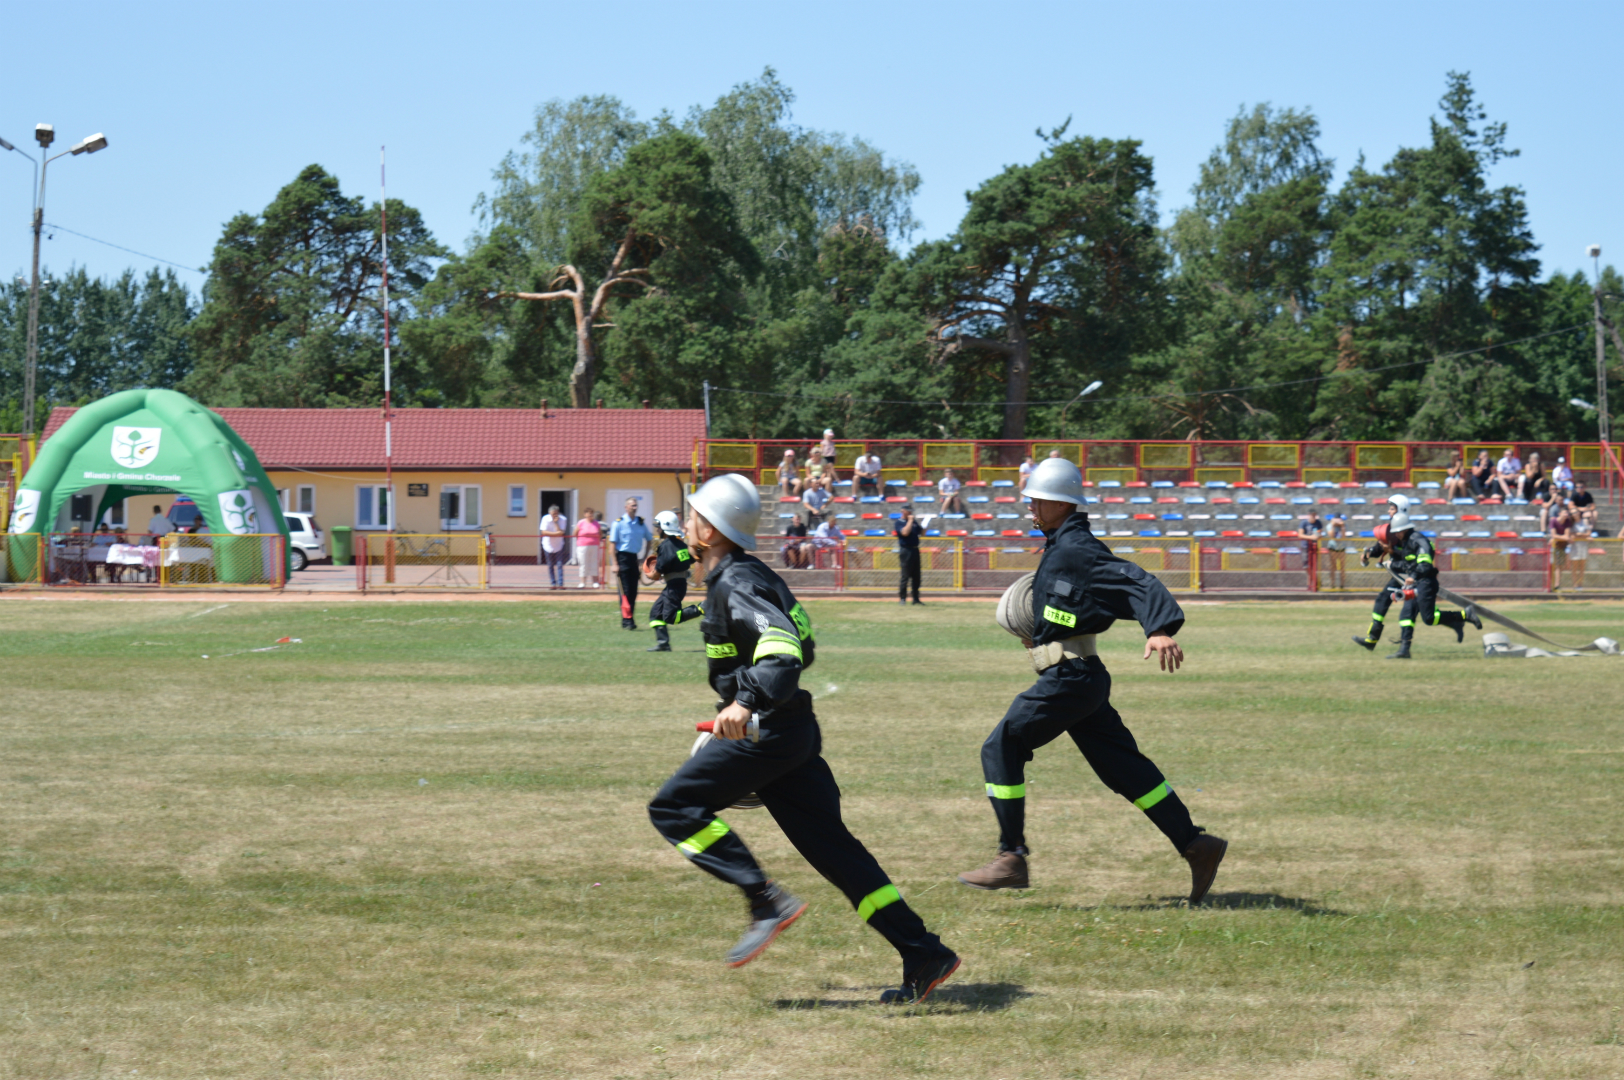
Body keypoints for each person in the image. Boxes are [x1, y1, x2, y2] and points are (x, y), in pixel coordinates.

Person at [647, 473, 961, 1003]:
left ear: (713, 529)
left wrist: (746, 700)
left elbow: (784, 648)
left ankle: (764, 899)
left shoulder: (736, 583)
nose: (687, 523)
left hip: (766, 731)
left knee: (674, 808)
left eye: (695, 515)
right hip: (789, 728)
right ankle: (923, 951)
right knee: (836, 852)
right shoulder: (747, 574)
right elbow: (804, 642)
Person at [956, 456, 1228, 905]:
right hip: (1080, 679)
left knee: (1001, 746)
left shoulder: (1076, 549)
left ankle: (1011, 856)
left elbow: (1137, 582)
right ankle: (1196, 845)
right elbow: (1076, 607)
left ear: (1063, 503)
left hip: (1071, 678)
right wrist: (1040, 633)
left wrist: (1159, 629)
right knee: (1126, 770)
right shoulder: (1061, 547)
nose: (1031, 506)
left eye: (1038, 499)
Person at [1351, 511, 1481, 659]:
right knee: (1422, 617)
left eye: (1397, 532)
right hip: (1418, 581)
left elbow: (1425, 564)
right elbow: (1408, 564)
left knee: (1426, 617)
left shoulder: (1418, 540)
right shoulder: (1405, 541)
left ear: (1404, 529)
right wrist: (1392, 563)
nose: (1395, 535)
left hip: (1425, 581)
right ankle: (1402, 649)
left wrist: (1412, 576)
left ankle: (1465, 615)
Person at [646, 510, 702, 652]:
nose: (657, 530)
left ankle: (700, 609)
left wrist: (651, 575)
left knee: (671, 617)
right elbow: (688, 560)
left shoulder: (665, 546)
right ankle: (663, 643)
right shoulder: (681, 545)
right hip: (678, 584)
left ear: (665, 527)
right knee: (656, 613)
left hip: (674, 586)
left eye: (658, 527)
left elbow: (659, 570)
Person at [610, 497, 654, 629]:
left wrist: (644, 557)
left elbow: (649, 539)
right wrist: (615, 563)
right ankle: (627, 620)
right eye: (632, 505)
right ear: (626, 507)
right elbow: (612, 546)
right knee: (625, 592)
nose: (634, 508)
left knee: (633, 592)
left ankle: (629, 619)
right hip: (622, 558)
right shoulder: (618, 523)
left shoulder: (640, 523)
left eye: (636, 505)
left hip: (634, 559)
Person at [894, 505, 923, 604]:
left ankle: (916, 598)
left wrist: (925, 525)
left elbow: (922, 533)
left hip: (915, 550)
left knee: (916, 576)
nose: (910, 513)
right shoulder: (899, 522)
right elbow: (905, 533)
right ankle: (903, 598)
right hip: (906, 550)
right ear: (903, 511)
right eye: (908, 511)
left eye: (911, 511)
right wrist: (910, 521)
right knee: (905, 575)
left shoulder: (914, 522)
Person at [540, 504, 569, 589]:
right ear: (550, 513)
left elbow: (561, 532)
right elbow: (543, 532)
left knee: (560, 564)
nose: (555, 515)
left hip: (559, 545)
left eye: (556, 513)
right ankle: (553, 584)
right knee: (550, 565)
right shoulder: (545, 518)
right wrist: (556, 534)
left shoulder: (563, 519)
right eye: (553, 514)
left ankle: (560, 584)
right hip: (548, 545)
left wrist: (556, 523)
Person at [574, 508, 603, 589]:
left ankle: (595, 582)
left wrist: (597, 540)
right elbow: (575, 533)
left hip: (594, 546)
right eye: (589, 513)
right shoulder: (581, 522)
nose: (590, 515)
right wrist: (581, 540)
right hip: (582, 546)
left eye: (592, 513)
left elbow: (600, 533)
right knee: (583, 563)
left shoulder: (596, 523)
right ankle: (582, 582)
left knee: (594, 563)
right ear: (585, 514)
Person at [1549, 505, 1573, 590]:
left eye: (1567, 513)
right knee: (1553, 565)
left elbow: (1566, 535)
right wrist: (1561, 537)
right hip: (1554, 546)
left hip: (1562, 547)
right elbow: (1554, 535)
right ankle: (1552, 584)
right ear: (1560, 513)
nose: (1566, 514)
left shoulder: (1567, 521)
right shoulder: (1553, 521)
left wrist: (1558, 537)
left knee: (1559, 566)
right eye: (1565, 512)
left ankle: (1557, 584)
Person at [1569, 508, 1594, 591]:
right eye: (1573, 513)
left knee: (1582, 567)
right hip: (1575, 546)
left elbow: (1588, 533)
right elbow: (1571, 534)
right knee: (1574, 567)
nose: (1575, 514)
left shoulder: (1584, 521)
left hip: (1583, 546)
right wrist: (1581, 535)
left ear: (1579, 513)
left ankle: (1580, 584)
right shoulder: (1571, 523)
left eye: (1576, 512)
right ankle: (1575, 584)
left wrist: (1579, 535)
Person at [1324, 513, 1348, 589]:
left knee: (1342, 567)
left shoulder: (1343, 525)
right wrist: (1333, 526)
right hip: (1332, 548)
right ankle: (1332, 584)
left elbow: (1343, 536)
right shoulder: (1329, 526)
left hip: (1341, 548)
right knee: (1332, 567)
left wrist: (1342, 526)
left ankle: (1342, 584)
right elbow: (1331, 536)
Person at [1296, 509, 1324, 573]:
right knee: (1306, 565)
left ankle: (1313, 577)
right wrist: (1311, 537)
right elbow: (1300, 535)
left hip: (1314, 545)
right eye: (1312, 515)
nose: (1313, 516)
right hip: (1305, 546)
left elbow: (1319, 534)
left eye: (1314, 515)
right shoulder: (1303, 523)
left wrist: (1317, 535)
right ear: (1309, 515)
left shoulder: (1318, 523)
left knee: (1314, 564)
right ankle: (1310, 577)